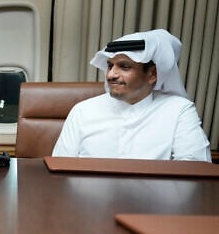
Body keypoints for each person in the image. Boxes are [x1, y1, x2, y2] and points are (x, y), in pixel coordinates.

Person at [52, 29, 210, 161]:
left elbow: (194, 168)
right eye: (110, 66)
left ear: (152, 74)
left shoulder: (179, 111)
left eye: (125, 67)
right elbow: (61, 166)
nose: (111, 75)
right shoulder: (83, 111)